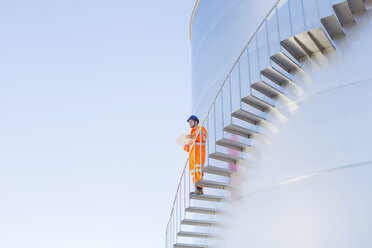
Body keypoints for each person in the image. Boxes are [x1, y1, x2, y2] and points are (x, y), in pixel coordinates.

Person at [183, 115, 207, 195]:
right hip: (192, 156)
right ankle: (197, 188)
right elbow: (189, 147)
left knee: (198, 171)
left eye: (191, 121)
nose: (190, 123)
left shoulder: (200, 128)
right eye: (189, 122)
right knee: (193, 173)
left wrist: (192, 137)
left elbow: (203, 137)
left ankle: (200, 189)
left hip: (199, 154)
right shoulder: (191, 133)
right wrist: (185, 145)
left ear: (196, 122)